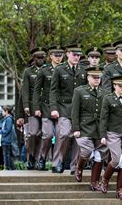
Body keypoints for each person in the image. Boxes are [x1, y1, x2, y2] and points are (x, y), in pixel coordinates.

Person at [50, 43, 87, 173]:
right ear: (67, 54)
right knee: (64, 134)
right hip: (64, 107)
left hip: (80, 109)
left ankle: (74, 166)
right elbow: (53, 90)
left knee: (78, 137)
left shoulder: (83, 70)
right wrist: (54, 108)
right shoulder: (59, 70)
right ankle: (57, 162)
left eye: (78, 55)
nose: (76, 57)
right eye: (74, 54)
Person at [71, 66, 109, 191]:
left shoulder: (105, 92)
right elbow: (75, 111)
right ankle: (79, 168)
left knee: (99, 155)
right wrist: (76, 128)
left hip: (100, 128)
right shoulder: (79, 91)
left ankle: (94, 182)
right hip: (84, 127)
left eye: (99, 77)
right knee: (87, 151)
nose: (97, 79)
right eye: (94, 77)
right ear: (88, 78)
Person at [99, 75, 122, 200]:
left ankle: (120, 189)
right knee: (115, 159)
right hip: (113, 132)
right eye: (120, 86)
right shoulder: (108, 99)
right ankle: (105, 179)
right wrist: (103, 135)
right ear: (114, 86)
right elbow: (103, 118)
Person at [32, 44, 64, 170]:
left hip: (61, 107)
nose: (58, 58)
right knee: (48, 135)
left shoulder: (64, 69)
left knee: (60, 135)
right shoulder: (44, 70)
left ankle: (56, 163)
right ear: (50, 56)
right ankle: (42, 156)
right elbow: (36, 90)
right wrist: (36, 107)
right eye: (56, 55)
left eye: (60, 55)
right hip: (46, 107)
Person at [22, 47, 46, 170]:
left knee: (44, 134)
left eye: (42, 57)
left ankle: (39, 159)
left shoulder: (48, 70)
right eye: (38, 57)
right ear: (33, 58)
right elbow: (25, 90)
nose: (41, 60)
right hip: (32, 106)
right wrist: (26, 105)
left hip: (45, 106)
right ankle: (31, 156)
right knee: (33, 133)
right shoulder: (28, 71)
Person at [0, 105, 17, 170]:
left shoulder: (8, 119)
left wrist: (0, 131)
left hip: (7, 139)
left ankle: (8, 167)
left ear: (6, 111)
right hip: (6, 139)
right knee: (7, 154)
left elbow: (8, 129)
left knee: (6, 154)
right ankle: (11, 167)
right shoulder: (7, 119)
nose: (2, 113)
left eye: (2, 111)